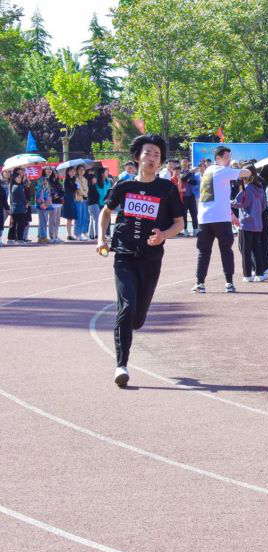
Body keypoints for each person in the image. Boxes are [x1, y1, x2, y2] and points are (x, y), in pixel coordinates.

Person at [96, 134, 184, 388]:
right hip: (124, 256)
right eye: (148, 153)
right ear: (137, 157)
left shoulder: (167, 189)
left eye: (157, 155)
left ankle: (134, 322)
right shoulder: (124, 187)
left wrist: (163, 235)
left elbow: (179, 223)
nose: (152, 158)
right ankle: (121, 365)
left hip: (151, 259)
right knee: (126, 307)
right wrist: (101, 238)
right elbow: (105, 212)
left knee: (137, 318)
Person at [193, 146, 251, 294]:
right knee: (226, 250)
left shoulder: (208, 171)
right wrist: (240, 167)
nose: (229, 160)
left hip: (205, 218)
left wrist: (231, 214)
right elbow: (247, 172)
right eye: (226, 157)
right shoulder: (222, 170)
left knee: (203, 252)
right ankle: (229, 283)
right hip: (219, 219)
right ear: (217, 158)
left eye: (230, 157)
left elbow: (218, 197)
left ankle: (200, 283)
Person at [232, 169, 267, 282]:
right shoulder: (260, 189)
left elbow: (239, 203)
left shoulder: (247, 189)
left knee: (245, 251)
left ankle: (247, 275)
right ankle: (260, 273)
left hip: (246, 223)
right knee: (257, 249)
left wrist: (228, 202)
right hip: (257, 223)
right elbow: (263, 206)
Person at [8, 169, 28, 243]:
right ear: (14, 178)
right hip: (20, 208)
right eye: (18, 177)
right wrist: (26, 203)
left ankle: (10, 239)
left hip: (14, 209)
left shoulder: (12, 186)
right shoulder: (18, 187)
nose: (19, 179)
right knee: (20, 224)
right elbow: (23, 197)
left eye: (20, 177)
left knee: (13, 224)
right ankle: (19, 239)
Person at [180, 158, 200, 236]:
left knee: (194, 213)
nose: (185, 163)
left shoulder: (192, 172)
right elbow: (183, 179)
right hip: (183, 196)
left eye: (186, 162)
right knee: (184, 214)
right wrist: (190, 173)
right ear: (181, 163)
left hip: (191, 195)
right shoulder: (180, 171)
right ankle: (185, 230)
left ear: (188, 163)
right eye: (183, 162)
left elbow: (194, 182)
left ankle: (195, 229)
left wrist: (188, 180)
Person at [35, 168, 54, 244]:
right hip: (42, 203)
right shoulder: (42, 179)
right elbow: (38, 191)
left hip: (46, 203)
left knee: (43, 220)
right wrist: (41, 203)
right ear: (44, 170)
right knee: (43, 220)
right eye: (47, 169)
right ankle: (43, 237)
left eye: (50, 169)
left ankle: (41, 237)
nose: (49, 170)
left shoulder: (47, 179)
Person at [61, 166, 78, 240]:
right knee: (69, 218)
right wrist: (75, 185)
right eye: (71, 171)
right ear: (68, 172)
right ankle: (69, 235)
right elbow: (71, 189)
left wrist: (75, 184)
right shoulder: (67, 180)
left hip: (71, 199)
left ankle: (70, 234)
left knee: (70, 218)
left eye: (74, 171)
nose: (73, 172)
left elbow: (74, 190)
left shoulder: (73, 180)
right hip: (68, 200)